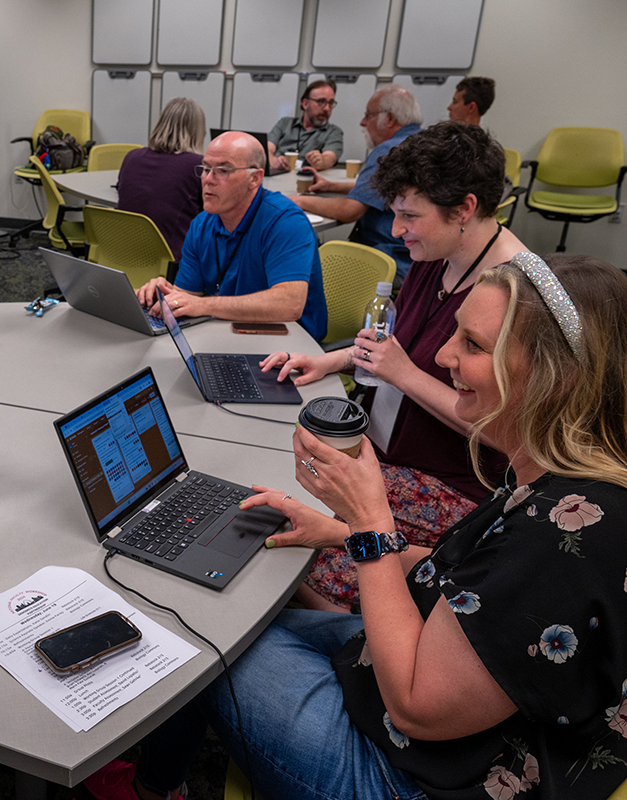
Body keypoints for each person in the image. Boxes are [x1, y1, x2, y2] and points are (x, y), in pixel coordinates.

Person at [89, 252, 627, 800]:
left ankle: (152, 788)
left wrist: (370, 522)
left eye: (473, 345)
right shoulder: (563, 481)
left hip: (406, 775)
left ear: (557, 378)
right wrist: (338, 533)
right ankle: (157, 782)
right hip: (431, 701)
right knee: (235, 611)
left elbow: (418, 708)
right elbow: (473, 587)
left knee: (196, 633)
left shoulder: (565, 538)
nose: (443, 355)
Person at [260, 122, 525, 612]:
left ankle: (352, 653)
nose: (397, 230)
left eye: (408, 216)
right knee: (273, 517)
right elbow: (398, 344)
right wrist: (327, 360)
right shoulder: (438, 251)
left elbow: (507, 431)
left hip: (452, 487)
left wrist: (404, 374)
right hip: (391, 460)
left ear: (464, 209)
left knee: (287, 561)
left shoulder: (513, 294)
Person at [135, 131, 328, 341]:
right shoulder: (202, 224)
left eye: (223, 171)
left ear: (255, 178)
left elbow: (289, 305)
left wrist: (204, 305)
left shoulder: (286, 222)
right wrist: (165, 295)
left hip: (290, 347)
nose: (208, 180)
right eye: (206, 169)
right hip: (228, 334)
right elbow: (188, 296)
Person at [290, 86, 423, 284]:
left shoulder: (389, 150)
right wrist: (332, 186)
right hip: (419, 261)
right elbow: (383, 188)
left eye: (368, 115)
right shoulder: (420, 143)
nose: (362, 122)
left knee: (301, 271)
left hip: (388, 258)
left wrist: (298, 201)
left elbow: (349, 211)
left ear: (389, 119)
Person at [116, 97, 206, 259]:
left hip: (123, 255)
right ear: (199, 131)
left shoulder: (132, 157)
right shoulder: (197, 165)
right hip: (170, 262)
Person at [267, 79, 344, 173]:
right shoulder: (285, 123)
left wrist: (321, 161)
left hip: (307, 180)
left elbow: (330, 157)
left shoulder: (333, 132)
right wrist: (273, 160)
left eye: (331, 103)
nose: (327, 108)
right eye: (321, 101)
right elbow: (267, 148)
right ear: (305, 103)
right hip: (277, 176)